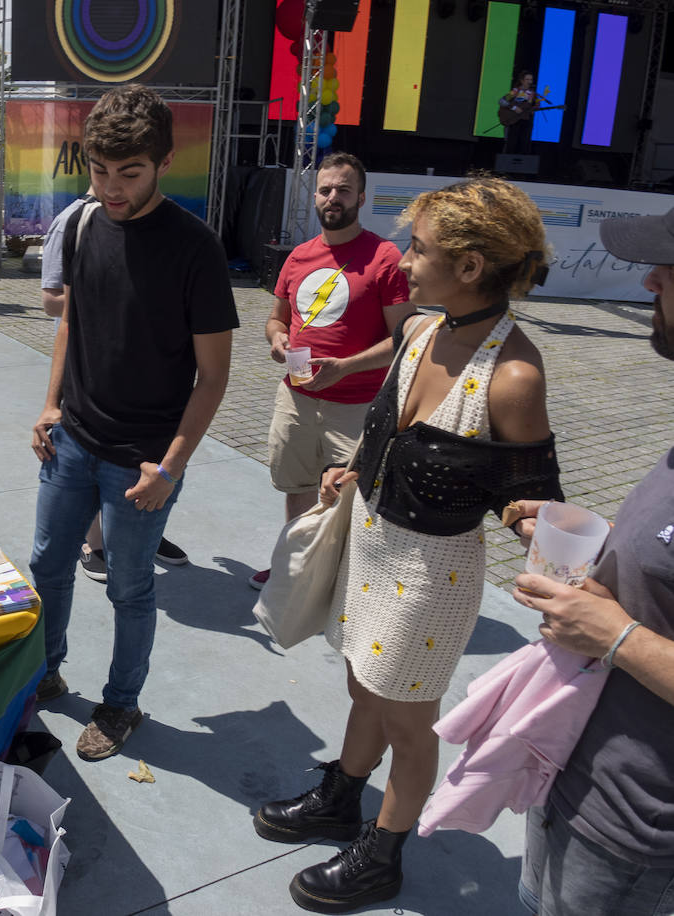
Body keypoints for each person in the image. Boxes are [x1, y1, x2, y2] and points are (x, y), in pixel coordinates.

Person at [252, 177, 562, 913]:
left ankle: (384, 853)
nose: (405, 259)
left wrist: (546, 548)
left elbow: (532, 490)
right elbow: (383, 423)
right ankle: (342, 797)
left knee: (407, 718)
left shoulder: (513, 374)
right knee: (363, 682)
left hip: (434, 571)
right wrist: (354, 467)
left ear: (471, 266)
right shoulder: (422, 330)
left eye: (419, 249)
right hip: (371, 543)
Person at [28, 84, 238, 761]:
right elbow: (72, 325)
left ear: (163, 163)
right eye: (98, 170)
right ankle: (44, 669)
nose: (111, 188)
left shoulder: (194, 248)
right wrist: (50, 405)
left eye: (129, 172)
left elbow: (215, 377)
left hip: (143, 460)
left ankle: (121, 704)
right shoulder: (86, 224)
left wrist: (170, 467)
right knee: (47, 565)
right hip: (73, 439)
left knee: (129, 587)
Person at [508, 205, 674, 916]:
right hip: (579, 776)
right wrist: (596, 553)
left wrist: (614, 635)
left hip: (640, 834)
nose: (647, 282)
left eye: (669, 272)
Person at [248, 153, 413, 589]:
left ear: (360, 196)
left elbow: (405, 338)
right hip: (297, 397)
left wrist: (345, 367)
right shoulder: (299, 257)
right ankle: (294, 568)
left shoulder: (384, 257)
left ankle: (342, 582)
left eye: (343, 189)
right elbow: (275, 319)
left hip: (357, 405)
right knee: (298, 486)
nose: (332, 198)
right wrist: (277, 339)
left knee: (352, 498)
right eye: (325, 190)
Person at [38, 186, 189, 582]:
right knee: (87, 461)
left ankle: (141, 536)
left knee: (132, 473)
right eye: (107, 167)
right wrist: (105, 299)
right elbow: (51, 298)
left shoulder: (163, 226)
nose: (119, 182)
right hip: (84, 372)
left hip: (139, 383)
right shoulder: (74, 221)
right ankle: (95, 542)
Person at [500, 72, 549, 156]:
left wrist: (534, 108)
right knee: (512, 141)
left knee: (525, 142)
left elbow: (535, 106)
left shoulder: (533, 94)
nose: (529, 82)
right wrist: (514, 108)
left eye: (531, 79)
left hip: (526, 121)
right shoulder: (515, 91)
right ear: (522, 81)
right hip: (514, 120)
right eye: (527, 79)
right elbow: (502, 101)